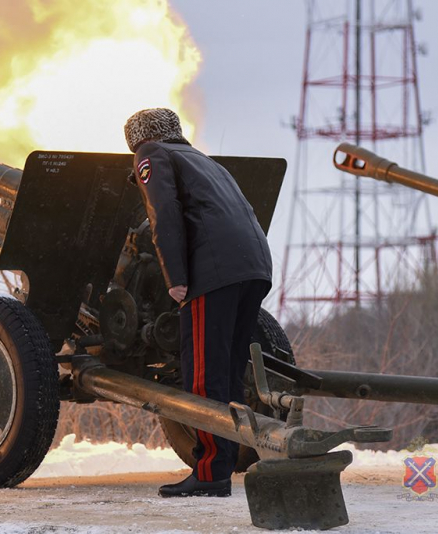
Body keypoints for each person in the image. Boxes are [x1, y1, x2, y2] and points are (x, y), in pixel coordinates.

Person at [124, 108, 273, 498]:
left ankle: (209, 475)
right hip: (253, 266)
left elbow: (164, 213)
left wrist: (176, 277)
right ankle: (223, 462)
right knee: (226, 374)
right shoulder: (203, 161)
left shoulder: (150, 154)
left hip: (215, 271)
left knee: (204, 379)